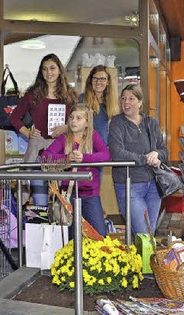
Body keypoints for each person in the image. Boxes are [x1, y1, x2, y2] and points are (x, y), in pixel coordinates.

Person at [10, 53, 77, 205]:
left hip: (62, 155)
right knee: (40, 204)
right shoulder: (32, 94)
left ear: (60, 70)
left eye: (52, 68)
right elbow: (14, 118)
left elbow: (79, 121)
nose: (49, 72)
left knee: (62, 204)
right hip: (38, 156)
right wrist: (27, 133)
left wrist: (66, 127)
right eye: (45, 69)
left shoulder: (70, 95)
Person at [41, 104, 110, 236]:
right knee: (72, 235)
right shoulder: (63, 139)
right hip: (69, 194)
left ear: (87, 123)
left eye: (79, 118)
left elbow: (106, 155)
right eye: (71, 117)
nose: (73, 121)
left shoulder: (93, 136)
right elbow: (46, 156)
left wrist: (85, 158)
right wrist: (66, 158)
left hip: (91, 194)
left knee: (99, 234)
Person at [108, 84, 168, 235]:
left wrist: (157, 155)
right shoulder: (117, 123)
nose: (126, 102)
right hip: (129, 185)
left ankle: (140, 259)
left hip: (154, 186)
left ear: (140, 102)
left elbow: (164, 151)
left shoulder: (151, 122)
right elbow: (117, 153)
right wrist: (145, 159)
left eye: (131, 99)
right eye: (123, 99)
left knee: (149, 234)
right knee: (143, 233)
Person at [78, 65, 120, 144]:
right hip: (85, 146)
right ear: (90, 80)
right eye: (95, 78)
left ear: (108, 82)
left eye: (102, 79)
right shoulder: (81, 99)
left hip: (103, 147)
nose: (98, 82)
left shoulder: (111, 101)